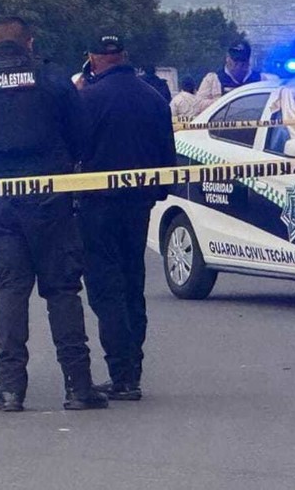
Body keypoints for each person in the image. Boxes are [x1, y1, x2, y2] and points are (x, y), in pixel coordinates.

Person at [0, 16, 107, 412]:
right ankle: (77, 386)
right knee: (63, 292)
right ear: (29, 44)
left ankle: (11, 390)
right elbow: (83, 137)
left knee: (10, 293)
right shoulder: (51, 80)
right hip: (49, 197)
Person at [77, 34, 176, 401]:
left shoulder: (88, 98)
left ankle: (121, 375)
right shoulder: (153, 97)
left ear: (93, 58)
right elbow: (168, 155)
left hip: (97, 206)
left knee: (106, 289)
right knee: (133, 283)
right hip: (139, 206)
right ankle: (132, 369)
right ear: (123, 56)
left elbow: (75, 150)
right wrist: (155, 194)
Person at [194, 39, 263, 110]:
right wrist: (224, 101)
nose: (238, 65)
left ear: (248, 61)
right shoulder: (213, 79)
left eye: (242, 61)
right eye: (235, 60)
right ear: (227, 58)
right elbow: (198, 105)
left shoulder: (260, 79)